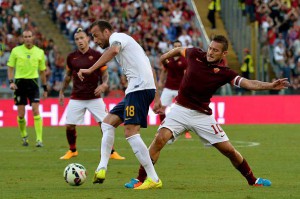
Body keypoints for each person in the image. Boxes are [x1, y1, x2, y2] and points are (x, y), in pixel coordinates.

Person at [125, 35, 290, 188]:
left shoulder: (225, 73)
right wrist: (165, 56)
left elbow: (248, 83)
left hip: (202, 115)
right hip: (180, 109)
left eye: (215, 50)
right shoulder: (195, 54)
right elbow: (178, 50)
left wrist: (270, 85)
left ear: (224, 53)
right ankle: (141, 179)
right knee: (159, 139)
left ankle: (253, 180)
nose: (210, 52)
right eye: (210, 48)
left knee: (229, 150)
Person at [77, 20, 163, 190]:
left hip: (139, 89)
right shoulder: (131, 46)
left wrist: (90, 69)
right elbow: (149, 68)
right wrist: (155, 93)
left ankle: (153, 178)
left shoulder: (117, 37)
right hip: (137, 89)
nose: (94, 40)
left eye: (96, 35)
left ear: (107, 32)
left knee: (130, 132)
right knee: (107, 123)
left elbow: (114, 49)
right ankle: (102, 168)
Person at [59, 28, 125, 160]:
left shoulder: (96, 55)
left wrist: (104, 84)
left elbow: (105, 74)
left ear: (87, 39)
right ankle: (72, 150)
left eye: (82, 38)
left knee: (105, 124)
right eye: (77, 39)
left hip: (94, 97)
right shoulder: (71, 57)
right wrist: (61, 91)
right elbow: (67, 76)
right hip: (77, 97)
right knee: (70, 126)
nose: (80, 41)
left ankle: (111, 152)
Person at [7, 30, 48, 147]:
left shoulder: (39, 52)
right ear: (22, 38)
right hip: (19, 83)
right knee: (21, 114)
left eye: (29, 36)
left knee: (36, 110)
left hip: (33, 83)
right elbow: (10, 67)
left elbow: (42, 72)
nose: (27, 39)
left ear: (33, 37)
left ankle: (39, 140)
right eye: (25, 37)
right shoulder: (16, 51)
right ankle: (24, 136)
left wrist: (45, 88)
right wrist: (11, 82)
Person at [158, 40, 191, 139]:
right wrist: (160, 81)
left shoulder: (185, 60)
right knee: (161, 109)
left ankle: (186, 131)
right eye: (175, 46)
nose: (177, 48)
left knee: (184, 110)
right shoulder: (169, 59)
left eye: (179, 46)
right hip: (168, 87)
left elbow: (187, 74)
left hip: (179, 89)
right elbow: (164, 70)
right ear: (172, 47)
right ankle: (162, 129)